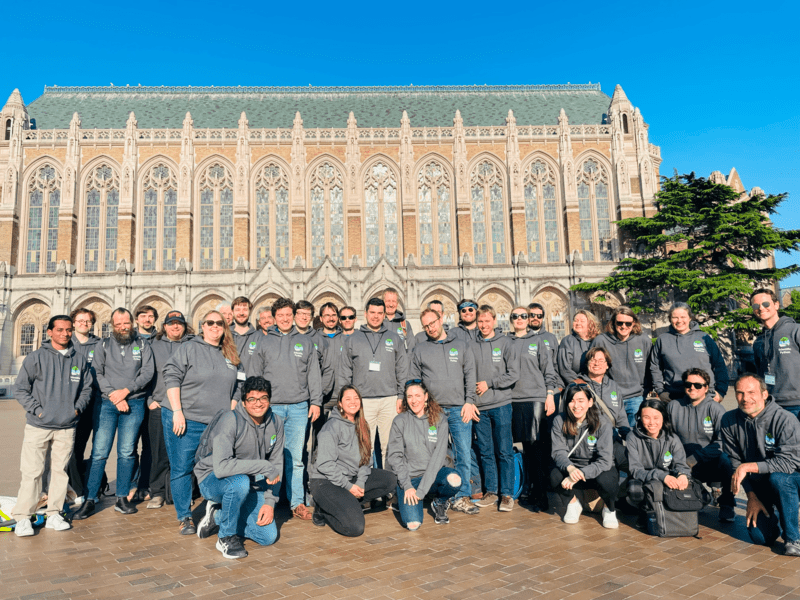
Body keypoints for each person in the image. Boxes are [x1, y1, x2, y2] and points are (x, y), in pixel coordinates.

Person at [158, 310, 244, 534]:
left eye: (220, 323)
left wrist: (231, 411)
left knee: (216, 467)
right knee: (182, 468)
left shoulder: (231, 354)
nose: (215, 326)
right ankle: (184, 516)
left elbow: (240, 385)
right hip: (186, 419)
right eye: (210, 323)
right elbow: (172, 375)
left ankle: (213, 508)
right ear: (202, 326)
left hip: (216, 424)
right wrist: (177, 411)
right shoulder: (189, 348)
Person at [12, 315, 94, 536]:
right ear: (49, 332)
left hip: (66, 426)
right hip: (39, 425)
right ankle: (23, 517)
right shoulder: (36, 357)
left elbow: (87, 388)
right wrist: (38, 410)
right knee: (32, 472)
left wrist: (76, 409)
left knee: (60, 473)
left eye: (68, 330)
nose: (65, 334)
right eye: (59, 330)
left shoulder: (78, 359)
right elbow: (20, 388)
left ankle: (54, 513)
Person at [73, 308, 155, 520]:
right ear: (112, 325)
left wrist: (125, 392)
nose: (122, 327)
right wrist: (113, 396)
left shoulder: (143, 345)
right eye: (118, 324)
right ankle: (89, 499)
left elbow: (147, 372)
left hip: (134, 403)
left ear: (132, 323)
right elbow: (96, 372)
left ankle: (121, 498)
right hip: (106, 405)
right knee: (99, 452)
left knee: (127, 452)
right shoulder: (103, 345)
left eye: (125, 323)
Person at [194, 376, 283, 559]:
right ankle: (225, 537)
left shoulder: (276, 422)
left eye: (263, 398)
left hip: (247, 485)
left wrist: (269, 502)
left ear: (269, 400)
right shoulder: (230, 419)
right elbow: (221, 468)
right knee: (240, 482)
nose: (258, 404)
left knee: (267, 537)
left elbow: (277, 465)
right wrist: (263, 466)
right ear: (243, 401)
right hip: (212, 479)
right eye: (252, 399)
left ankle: (218, 515)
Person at [249, 297, 322, 521]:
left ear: (294, 316)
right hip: (271, 409)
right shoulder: (263, 342)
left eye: (288, 315)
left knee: (296, 458)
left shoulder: (305, 341)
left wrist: (316, 402)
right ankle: (264, 500)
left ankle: (297, 502)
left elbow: (313, 374)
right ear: (274, 317)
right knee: (267, 456)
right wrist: (256, 404)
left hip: (299, 407)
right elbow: (254, 374)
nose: (284, 319)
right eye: (280, 315)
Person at [408, 308, 480, 516]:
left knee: (463, 453)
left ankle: (461, 496)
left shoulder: (461, 345)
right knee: (433, 454)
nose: (430, 328)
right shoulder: (420, 349)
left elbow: (469, 373)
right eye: (426, 325)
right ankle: (438, 493)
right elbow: (415, 380)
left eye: (433, 323)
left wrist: (469, 401)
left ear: (441, 320)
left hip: (459, 408)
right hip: (434, 411)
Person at [721, 374, 800, 556]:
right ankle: (778, 514)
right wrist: (751, 497)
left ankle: (793, 538)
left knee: (779, 478)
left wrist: (747, 467)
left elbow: (788, 463)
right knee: (760, 538)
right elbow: (735, 462)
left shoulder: (785, 419)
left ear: (764, 394)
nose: (745, 398)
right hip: (761, 485)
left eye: (751, 392)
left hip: (792, 479)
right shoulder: (729, 420)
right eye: (740, 393)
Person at [308, 386, 397, 536]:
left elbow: (366, 460)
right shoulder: (331, 427)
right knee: (355, 527)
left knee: (390, 480)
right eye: (348, 399)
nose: (353, 402)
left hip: (350, 478)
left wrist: (360, 483)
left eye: (356, 398)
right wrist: (349, 487)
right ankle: (324, 507)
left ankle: (344, 504)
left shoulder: (363, 425)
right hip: (326, 481)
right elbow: (325, 464)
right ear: (340, 404)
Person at [339, 297, 408, 468]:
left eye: (379, 313)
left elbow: (402, 369)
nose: (376, 316)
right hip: (363, 402)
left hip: (390, 400)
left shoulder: (394, 338)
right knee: (364, 447)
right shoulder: (353, 339)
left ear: (385, 315)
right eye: (372, 313)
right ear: (365, 314)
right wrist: (346, 401)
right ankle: (367, 486)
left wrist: (401, 396)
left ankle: (389, 487)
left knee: (389, 447)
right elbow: (344, 372)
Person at [387, 381, 461, 529]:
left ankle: (439, 502)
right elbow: (395, 457)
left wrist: (421, 491)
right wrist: (407, 486)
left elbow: (438, 457)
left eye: (417, 395)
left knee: (454, 480)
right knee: (413, 524)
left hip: (434, 474)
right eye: (409, 396)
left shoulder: (439, 419)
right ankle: (404, 500)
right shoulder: (400, 421)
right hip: (410, 479)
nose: (414, 400)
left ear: (426, 396)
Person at [508, 306, 559, 512]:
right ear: (511, 320)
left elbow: (549, 369)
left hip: (535, 398)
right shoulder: (506, 341)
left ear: (529, 319)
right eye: (515, 316)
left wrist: (550, 395)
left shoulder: (537, 341)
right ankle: (526, 489)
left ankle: (541, 495)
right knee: (522, 448)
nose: (520, 319)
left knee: (535, 446)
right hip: (512, 399)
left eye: (524, 316)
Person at [667, 368, 735, 522]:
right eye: (688, 384)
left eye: (698, 385)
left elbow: (724, 441)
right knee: (694, 502)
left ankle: (727, 503)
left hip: (709, 461)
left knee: (728, 460)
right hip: (683, 464)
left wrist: (697, 456)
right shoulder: (673, 406)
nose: (692, 388)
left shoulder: (716, 409)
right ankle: (701, 493)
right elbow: (667, 438)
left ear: (706, 388)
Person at [550, 383, 619, 528]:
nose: (576, 405)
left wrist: (581, 472)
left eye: (581, 400)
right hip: (573, 469)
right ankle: (573, 503)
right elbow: (558, 452)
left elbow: (605, 461)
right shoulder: (559, 421)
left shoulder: (603, 423)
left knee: (607, 480)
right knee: (554, 475)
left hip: (596, 469)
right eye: (572, 400)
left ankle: (609, 508)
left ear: (590, 402)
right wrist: (570, 468)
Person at [470, 305, 519, 511]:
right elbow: (467, 374)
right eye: (480, 321)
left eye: (487, 321)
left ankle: (506, 494)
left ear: (494, 321)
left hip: (501, 405)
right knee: (486, 452)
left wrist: (489, 383)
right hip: (480, 408)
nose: (483, 325)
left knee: (504, 450)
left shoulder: (506, 343)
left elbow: (513, 374)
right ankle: (491, 491)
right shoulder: (471, 345)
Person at [146, 310, 194, 509]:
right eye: (171, 323)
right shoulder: (152, 345)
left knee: (183, 453)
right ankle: (157, 492)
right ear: (164, 326)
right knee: (159, 452)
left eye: (179, 323)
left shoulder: (192, 345)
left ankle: (181, 492)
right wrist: (149, 399)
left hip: (186, 406)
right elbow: (145, 373)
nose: (176, 327)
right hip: (160, 404)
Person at [626, 398, 692, 528]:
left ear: (664, 418)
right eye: (646, 417)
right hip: (644, 479)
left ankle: (671, 513)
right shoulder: (632, 437)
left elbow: (681, 464)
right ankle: (644, 511)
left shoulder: (672, 438)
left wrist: (683, 474)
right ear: (639, 418)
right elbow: (635, 470)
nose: (651, 423)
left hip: (669, 478)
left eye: (656, 417)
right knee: (634, 490)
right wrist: (661, 476)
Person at [650, 302, 728, 403]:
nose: (679, 321)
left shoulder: (704, 338)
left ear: (690, 318)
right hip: (674, 396)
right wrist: (660, 391)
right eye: (675, 317)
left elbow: (719, 365)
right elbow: (655, 367)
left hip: (705, 396)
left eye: (683, 317)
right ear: (670, 319)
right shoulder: (662, 340)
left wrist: (721, 391)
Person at [591, 307, 653, 428]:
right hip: (610, 396)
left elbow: (653, 367)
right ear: (613, 322)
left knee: (633, 436)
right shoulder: (601, 341)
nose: (623, 326)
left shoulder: (644, 340)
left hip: (636, 397)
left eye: (628, 323)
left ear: (634, 323)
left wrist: (647, 389)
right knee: (611, 437)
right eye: (620, 323)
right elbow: (592, 367)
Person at [65, 307, 103, 505]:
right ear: (73, 322)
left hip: (93, 403)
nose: (84, 323)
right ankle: (76, 489)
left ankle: (86, 487)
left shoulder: (99, 344)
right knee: (69, 449)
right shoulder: (65, 343)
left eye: (87, 321)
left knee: (88, 448)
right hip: (69, 404)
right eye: (80, 320)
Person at [580, 347, 630, 472]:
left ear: (607, 365)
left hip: (612, 440)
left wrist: (629, 437)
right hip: (588, 440)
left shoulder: (613, 386)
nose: (596, 363)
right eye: (593, 360)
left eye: (601, 360)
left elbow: (621, 417)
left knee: (634, 464)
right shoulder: (577, 386)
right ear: (587, 364)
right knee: (606, 479)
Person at [752, 288, 800, 417]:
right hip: (770, 405)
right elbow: (759, 373)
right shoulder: (758, 342)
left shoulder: (795, 331)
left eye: (766, 304)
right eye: (756, 305)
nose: (761, 308)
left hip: (797, 404)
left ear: (776, 305)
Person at [557, 310, 601, 387]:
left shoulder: (598, 340)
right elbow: (565, 369)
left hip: (597, 384)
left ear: (590, 323)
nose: (578, 323)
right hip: (576, 385)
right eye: (575, 321)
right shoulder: (567, 341)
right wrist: (582, 384)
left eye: (582, 321)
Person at [231, 296, 259, 374]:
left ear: (250, 311)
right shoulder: (224, 337)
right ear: (232, 312)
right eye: (237, 310)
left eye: (245, 309)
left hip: (251, 385)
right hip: (229, 385)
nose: (241, 313)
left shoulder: (259, 337)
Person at [383, 287, 415, 352]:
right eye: (388, 301)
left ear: (397, 304)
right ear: (383, 302)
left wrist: (407, 362)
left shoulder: (405, 324)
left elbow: (411, 348)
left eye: (393, 301)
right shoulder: (377, 322)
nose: (391, 305)